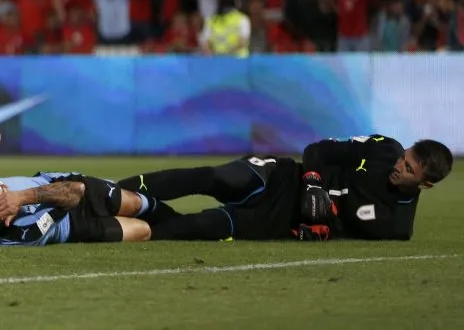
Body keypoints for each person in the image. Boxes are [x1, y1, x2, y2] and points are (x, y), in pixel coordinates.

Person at [115, 135, 453, 241]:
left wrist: (320, 230)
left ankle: (126, 220)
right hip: (283, 176)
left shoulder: (397, 227)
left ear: (425, 184)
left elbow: (342, 229)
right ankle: (110, 192)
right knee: (212, 177)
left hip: (279, 220)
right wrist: (313, 181)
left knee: (198, 226)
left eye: (409, 169)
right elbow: (318, 149)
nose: (399, 166)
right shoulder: (385, 148)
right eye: (405, 158)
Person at [0, 126, 153, 246]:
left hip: (59, 185)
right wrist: (21, 198)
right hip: (73, 223)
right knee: (144, 230)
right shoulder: (21, 234)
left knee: (137, 203)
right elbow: (72, 196)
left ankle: (150, 199)